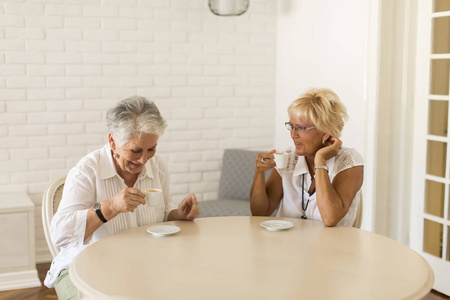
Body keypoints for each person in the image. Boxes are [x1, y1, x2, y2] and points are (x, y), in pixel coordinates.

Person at [44, 96, 200, 299]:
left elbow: (161, 212)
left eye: (151, 149)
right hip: (82, 267)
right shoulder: (86, 171)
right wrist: (109, 208)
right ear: (112, 141)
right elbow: (60, 233)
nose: (144, 159)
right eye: (135, 150)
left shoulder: (158, 166)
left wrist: (177, 213)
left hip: (140, 263)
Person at [250, 88, 363, 227]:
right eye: (291, 126)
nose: (293, 134)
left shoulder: (349, 162)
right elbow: (259, 213)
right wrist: (259, 173)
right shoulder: (289, 159)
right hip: (288, 245)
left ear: (325, 132)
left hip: (332, 246)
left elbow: (330, 218)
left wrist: (320, 159)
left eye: (300, 128)